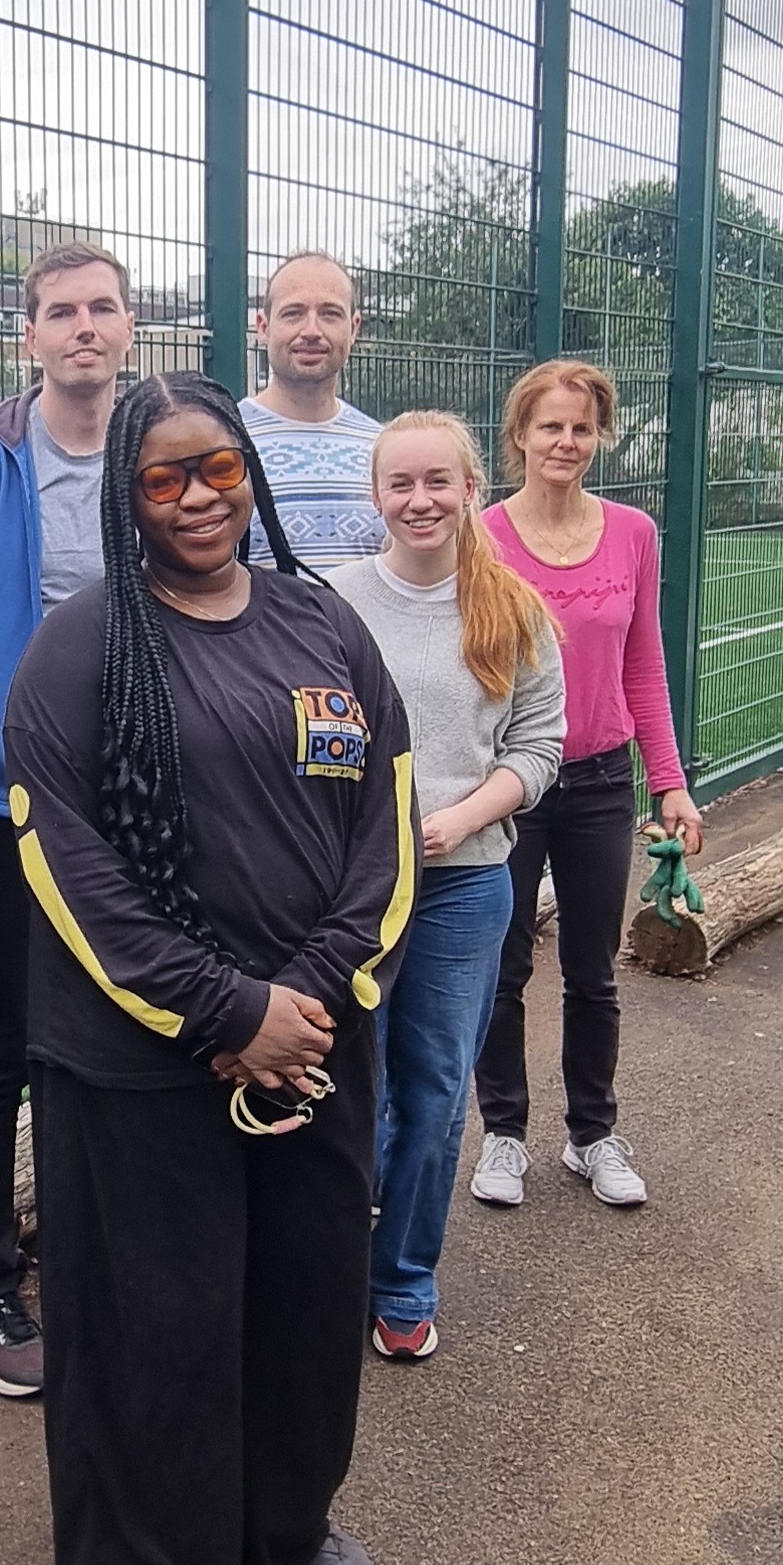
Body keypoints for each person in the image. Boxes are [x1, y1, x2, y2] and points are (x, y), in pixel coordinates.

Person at [6, 370, 417, 1565]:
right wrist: (229, 1009)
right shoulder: (80, 644)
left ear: (251, 473)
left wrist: (308, 1002)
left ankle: (281, 1540)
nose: (198, 497)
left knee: (302, 1317)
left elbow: (389, 827)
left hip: (315, 1050)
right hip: (141, 1071)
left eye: (220, 468)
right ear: (127, 497)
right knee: (156, 1341)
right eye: (164, 479)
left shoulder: (321, 621)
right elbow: (62, 861)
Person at [0, 238, 136, 1398]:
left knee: (114, 1031)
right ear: (30, 336)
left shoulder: (159, 454)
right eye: (61, 311)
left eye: (102, 307)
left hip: (132, 804)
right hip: (5, 808)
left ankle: (95, 1257)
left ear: (129, 327)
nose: (83, 327)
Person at [329, 412, 565, 1360]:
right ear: (375, 496)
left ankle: (402, 1279)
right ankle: (329, 1264)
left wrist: (463, 818)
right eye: (401, 484)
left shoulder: (514, 609)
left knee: (430, 1096)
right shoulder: (333, 602)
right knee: (348, 1086)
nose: (420, 501)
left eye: (439, 482)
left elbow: (538, 747)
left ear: (472, 490)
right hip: (350, 893)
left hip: (463, 888)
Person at [471, 360, 705, 1210]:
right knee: (501, 967)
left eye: (581, 428)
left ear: (599, 436)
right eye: (550, 427)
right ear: (520, 436)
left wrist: (669, 783)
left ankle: (592, 1135)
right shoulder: (481, 536)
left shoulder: (633, 533)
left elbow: (644, 665)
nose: (566, 442)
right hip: (509, 781)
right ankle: (502, 1134)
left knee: (593, 971)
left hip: (603, 780)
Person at [240, 251, 384, 569]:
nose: (311, 331)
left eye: (330, 314)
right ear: (263, 327)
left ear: (354, 328)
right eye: (293, 314)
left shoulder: (382, 446)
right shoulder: (227, 439)